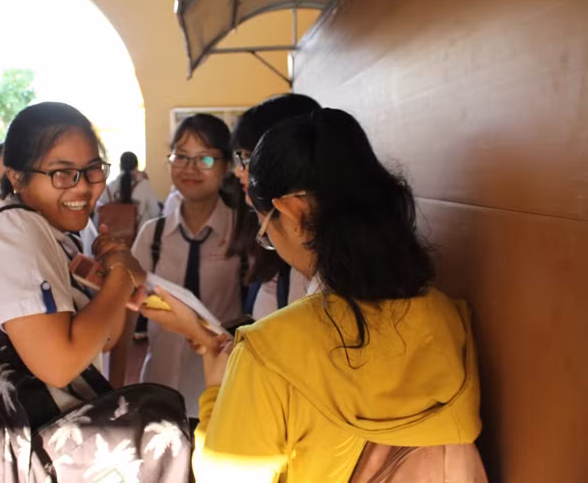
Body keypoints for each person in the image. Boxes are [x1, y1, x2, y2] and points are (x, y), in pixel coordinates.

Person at [141, 108, 482, 481]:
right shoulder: (447, 318)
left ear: (294, 213)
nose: (267, 239)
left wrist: (216, 393)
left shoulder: (268, 353)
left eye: (263, 225)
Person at [0, 102, 146, 481]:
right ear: (16, 177)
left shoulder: (58, 237)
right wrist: (121, 277)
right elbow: (59, 364)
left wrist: (112, 277)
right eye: (61, 173)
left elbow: (103, 338)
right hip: (22, 458)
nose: (83, 186)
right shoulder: (15, 231)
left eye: (93, 169)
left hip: (55, 452)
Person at [128, 113, 244, 422]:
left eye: (205, 159)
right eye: (181, 156)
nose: (190, 168)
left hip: (223, 392)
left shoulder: (242, 233)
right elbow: (127, 310)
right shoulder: (152, 235)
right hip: (158, 388)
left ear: (227, 166)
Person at [230, 94, 320, 320]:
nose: (239, 171)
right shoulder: (280, 249)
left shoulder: (310, 264)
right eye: (240, 158)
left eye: (249, 158)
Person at [96, 151, 160, 230]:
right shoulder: (145, 185)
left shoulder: (109, 188)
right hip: (139, 235)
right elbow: (155, 212)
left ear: (120, 166)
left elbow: (99, 212)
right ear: (136, 166)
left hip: (112, 235)